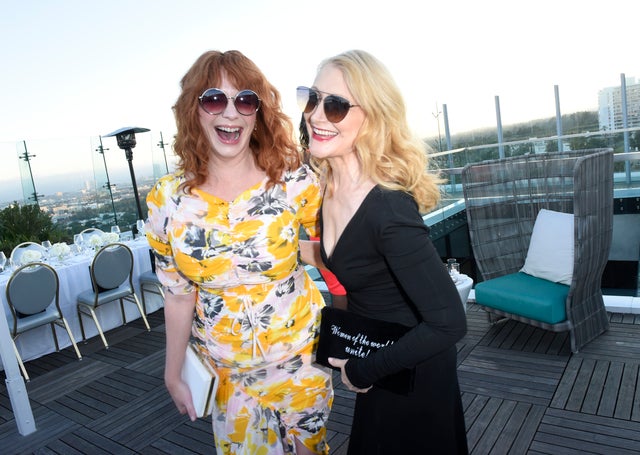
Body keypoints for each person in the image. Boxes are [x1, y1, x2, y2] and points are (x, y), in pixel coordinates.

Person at [146, 50, 333, 455]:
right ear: (193, 110)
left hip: (300, 359)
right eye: (214, 99)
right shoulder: (168, 201)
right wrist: (172, 373)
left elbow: (337, 254)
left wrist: (355, 332)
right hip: (226, 374)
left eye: (245, 100)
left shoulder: (292, 179)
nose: (230, 112)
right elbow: (177, 295)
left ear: (257, 112)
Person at [298, 50, 469, 454]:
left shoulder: (387, 208)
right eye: (313, 98)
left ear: (372, 118)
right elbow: (355, 258)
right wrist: (282, 249)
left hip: (411, 371)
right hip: (381, 358)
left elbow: (450, 323)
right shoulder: (329, 186)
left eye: (336, 106)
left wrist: (362, 370)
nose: (317, 116)